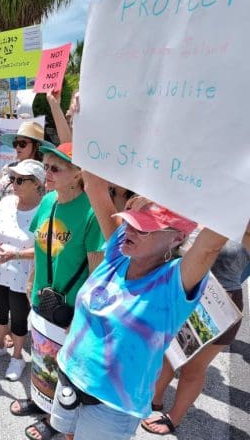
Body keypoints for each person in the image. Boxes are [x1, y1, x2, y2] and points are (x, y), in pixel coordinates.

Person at [46, 174, 228, 440]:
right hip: (70, 372)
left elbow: (209, 246)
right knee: (68, 436)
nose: (129, 230)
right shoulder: (119, 251)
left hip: (113, 403)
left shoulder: (173, 284)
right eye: (130, 222)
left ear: (176, 238)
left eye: (143, 228)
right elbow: (94, 183)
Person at [12, 142, 104, 440]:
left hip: (70, 311)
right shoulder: (49, 200)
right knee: (40, 357)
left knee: (63, 368)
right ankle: (40, 402)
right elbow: (43, 247)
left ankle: (57, 421)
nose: (46, 172)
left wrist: (83, 317)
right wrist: (31, 284)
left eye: (55, 168)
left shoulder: (91, 212)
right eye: (46, 165)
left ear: (78, 174)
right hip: (41, 300)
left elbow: (96, 273)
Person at [142, 231, 249, 435]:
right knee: (168, 354)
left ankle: (175, 416)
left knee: (193, 367)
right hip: (188, 291)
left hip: (220, 304)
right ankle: (153, 401)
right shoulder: (206, 206)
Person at [0, 160, 44, 380]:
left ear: (37, 184)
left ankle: (17, 357)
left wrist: (15, 254)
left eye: (20, 180)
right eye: (12, 178)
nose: (13, 183)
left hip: (23, 276)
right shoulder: (6, 202)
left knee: (18, 317)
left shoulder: (45, 209)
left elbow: (45, 249)